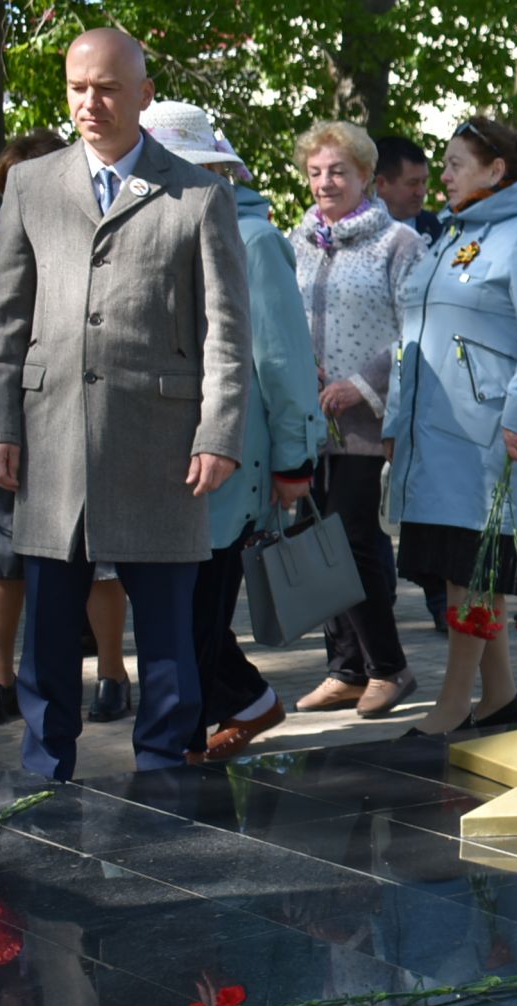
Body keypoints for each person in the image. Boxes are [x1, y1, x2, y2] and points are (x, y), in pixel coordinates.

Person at [0, 28, 251, 781]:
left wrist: (219, 431)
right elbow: (4, 316)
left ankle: (162, 769)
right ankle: (44, 767)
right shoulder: (32, 185)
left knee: (165, 633)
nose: (89, 103)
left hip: (161, 442)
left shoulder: (199, 193)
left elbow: (227, 330)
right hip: (51, 437)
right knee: (51, 628)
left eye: (106, 88)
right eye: (77, 88)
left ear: (144, 95)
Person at [0, 129, 135, 731]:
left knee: (99, 559)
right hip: (8, 425)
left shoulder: (105, 240)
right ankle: (0, 681)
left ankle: (113, 675)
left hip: (87, 419)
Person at [142, 101, 324, 763]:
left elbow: (282, 359)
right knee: (178, 614)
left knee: (196, 613)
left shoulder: (253, 239)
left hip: (228, 464)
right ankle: (236, 705)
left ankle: (186, 747)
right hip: (160, 458)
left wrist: (294, 458)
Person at [382, 117, 517, 734]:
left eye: (458, 162)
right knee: (466, 568)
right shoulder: (448, 236)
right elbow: (412, 335)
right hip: (433, 435)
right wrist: (392, 418)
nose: (445, 174)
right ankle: (500, 699)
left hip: (489, 435)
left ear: (497, 171)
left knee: (473, 573)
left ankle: (453, 702)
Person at [290, 120, 424, 720]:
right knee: (319, 543)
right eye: (315, 172)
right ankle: (344, 668)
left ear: (367, 176)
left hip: (366, 421)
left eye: (338, 171)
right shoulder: (298, 240)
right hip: (307, 421)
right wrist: (300, 370)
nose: (325, 182)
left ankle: (388, 668)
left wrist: (361, 385)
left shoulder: (397, 243)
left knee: (352, 539)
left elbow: (413, 333)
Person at [375, 135, 442, 244]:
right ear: (381, 183)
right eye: (412, 183)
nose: (421, 192)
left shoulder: (437, 229)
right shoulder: (356, 227)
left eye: (424, 182)